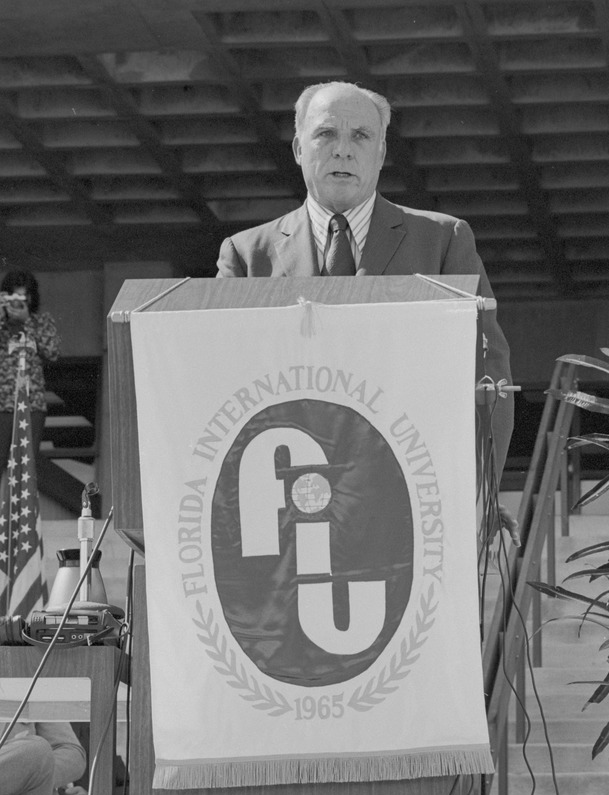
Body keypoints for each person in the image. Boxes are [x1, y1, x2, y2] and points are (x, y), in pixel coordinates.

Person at [216, 80, 518, 544]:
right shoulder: (245, 256)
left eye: (360, 137)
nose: (342, 151)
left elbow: (488, 372)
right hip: (281, 511)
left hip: (415, 508)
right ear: (299, 148)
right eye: (326, 135)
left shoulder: (442, 241)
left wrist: (482, 492)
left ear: (380, 154)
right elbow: (218, 385)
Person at [0, 270, 61, 473]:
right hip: (2, 404)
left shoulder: (42, 321)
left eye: (23, 297)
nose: (17, 303)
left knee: (26, 467)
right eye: (13, 296)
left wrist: (27, 322)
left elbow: (52, 352)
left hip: (32, 404)